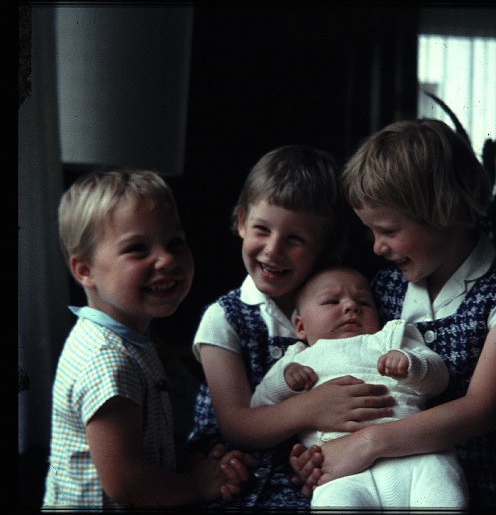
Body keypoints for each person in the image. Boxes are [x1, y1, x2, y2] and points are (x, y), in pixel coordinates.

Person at [291, 119, 496, 509]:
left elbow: (479, 409)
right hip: (372, 478)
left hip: (474, 486)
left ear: (446, 210)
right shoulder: (381, 289)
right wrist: (322, 455)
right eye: (371, 232)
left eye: (388, 230)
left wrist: (365, 444)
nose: (377, 247)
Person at [185, 146, 397, 509]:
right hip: (240, 481)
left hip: (320, 475)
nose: (272, 250)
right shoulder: (225, 318)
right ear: (240, 221)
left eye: (295, 239)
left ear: (325, 246)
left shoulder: (343, 305)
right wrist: (312, 407)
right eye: (261, 229)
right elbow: (237, 426)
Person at [43, 170, 252, 510]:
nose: (167, 259)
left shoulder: (128, 340)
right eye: (138, 249)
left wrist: (185, 463)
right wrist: (197, 485)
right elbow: (127, 485)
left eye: (175, 243)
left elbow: (140, 443)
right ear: (85, 271)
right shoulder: (109, 360)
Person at [251, 265, 468, 508]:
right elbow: (259, 405)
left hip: (415, 453)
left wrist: (411, 365)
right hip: (341, 471)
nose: (351, 307)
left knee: (443, 492)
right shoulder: (296, 361)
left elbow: (439, 379)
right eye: (332, 302)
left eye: (364, 302)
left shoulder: (390, 338)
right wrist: (284, 383)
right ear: (300, 327)